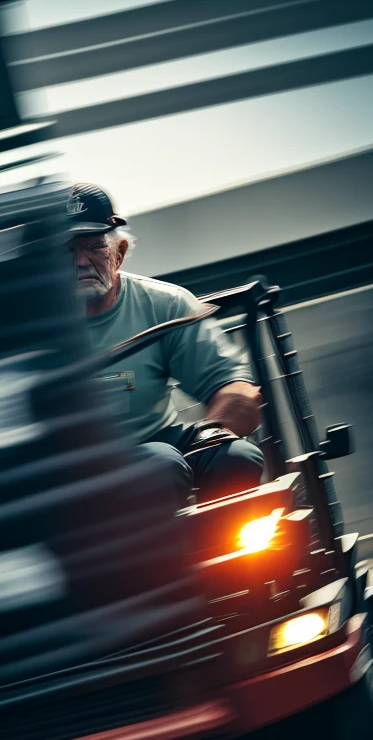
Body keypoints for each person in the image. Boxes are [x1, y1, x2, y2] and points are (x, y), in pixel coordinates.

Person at [67, 182, 264, 505]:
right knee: (160, 464)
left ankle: (228, 551)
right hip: (74, 473)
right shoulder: (28, 328)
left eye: (94, 246)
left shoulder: (165, 305)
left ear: (119, 253)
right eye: (66, 251)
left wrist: (212, 437)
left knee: (235, 455)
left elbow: (236, 392)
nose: (81, 262)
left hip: (160, 444)